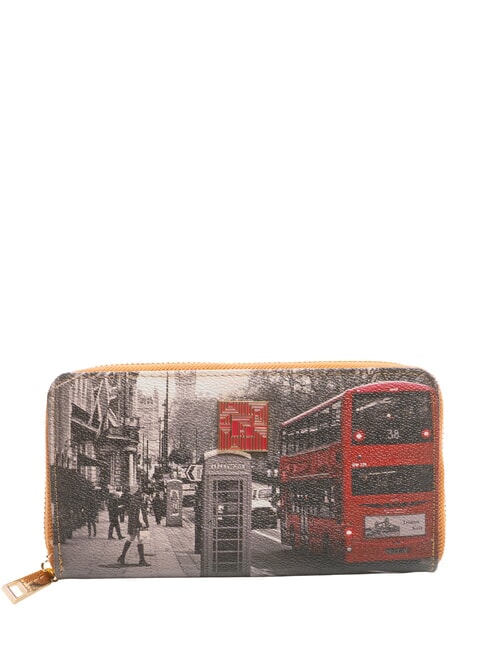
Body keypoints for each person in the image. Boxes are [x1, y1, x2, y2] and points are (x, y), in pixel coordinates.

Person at [117, 486, 150, 566]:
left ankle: (123, 556)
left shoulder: (134, 500)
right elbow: (139, 514)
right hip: (138, 524)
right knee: (138, 540)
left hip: (134, 523)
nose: (143, 495)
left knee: (133, 539)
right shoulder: (138, 502)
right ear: (140, 494)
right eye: (143, 494)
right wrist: (143, 523)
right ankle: (141, 560)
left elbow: (135, 513)